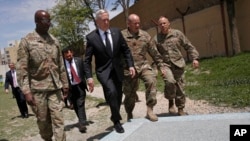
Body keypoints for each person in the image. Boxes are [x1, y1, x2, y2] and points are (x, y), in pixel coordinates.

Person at [16, 10, 69, 141]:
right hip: (37, 90)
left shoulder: (55, 41)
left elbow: (61, 65)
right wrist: (26, 91)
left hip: (55, 88)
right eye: (46, 21)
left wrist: (65, 84)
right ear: (37, 21)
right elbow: (22, 68)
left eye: (50, 20)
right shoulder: (26, 41)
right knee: (43, 123)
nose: (49, 23)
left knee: (59, 121)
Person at [84, 9, 135, 133]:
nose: (107, 22)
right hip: (103, 71)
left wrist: (131, 65)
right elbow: (87, 60)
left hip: (117, 69)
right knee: (111, 92)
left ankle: (114, 115)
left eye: (108, 19)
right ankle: (116, 121)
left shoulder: (116, 32)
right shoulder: (91, 38)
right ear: (97, 22)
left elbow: (126, 50)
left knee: (118, 95)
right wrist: (89, 77)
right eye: (104, 20)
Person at [152, 16, 199, 116]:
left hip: (178, 63)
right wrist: (158, 67)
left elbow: (188, 45)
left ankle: (180, 108)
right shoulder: (156, 39)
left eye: (164, 23)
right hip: (165, 65)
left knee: (180, 87)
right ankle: (170, 101)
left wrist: (195, 58)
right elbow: (155, 55)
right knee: (170, 82)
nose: (162, 25)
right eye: (160, 24)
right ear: (158, 26)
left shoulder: (177, 34)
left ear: (169, 23)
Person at [121, 14, 165, 121]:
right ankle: (129, 113)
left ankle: (150, 110)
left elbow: (154, 52)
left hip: (143, 65)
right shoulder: (121, 36)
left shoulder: (145, 35)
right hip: (128, 69)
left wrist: (161, 65)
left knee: (151, 81)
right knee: (129, 95)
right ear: (128, 24)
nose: (137, 25)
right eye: (135, 23)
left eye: (138, 23)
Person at [62, 47, 88, 133]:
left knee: (80, 103)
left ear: (72, 53)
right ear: (64, 56)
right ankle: (81, 120)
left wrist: (89, 79)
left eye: (70, 55)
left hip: (80, 85)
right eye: (67, 56)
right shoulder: (62, 65)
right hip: (70, 88)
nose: (69, 57)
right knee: (75, 105)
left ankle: (82, 123)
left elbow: (85, 70)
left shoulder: (79, 60)